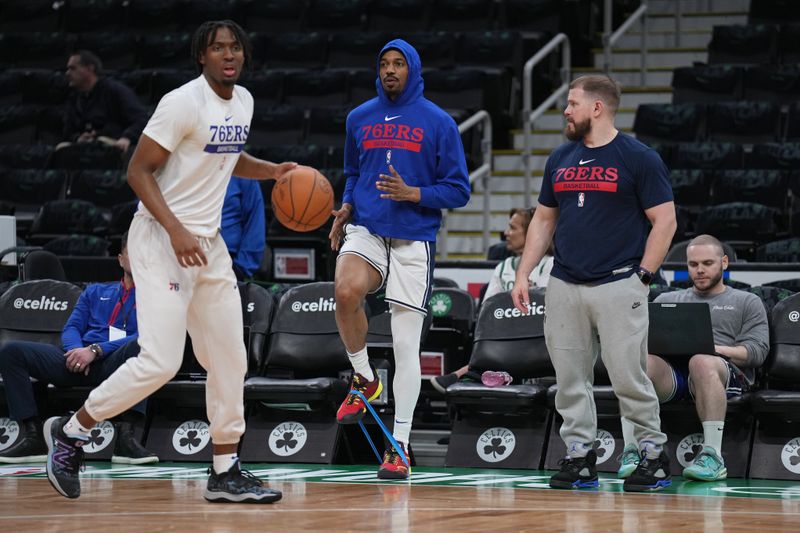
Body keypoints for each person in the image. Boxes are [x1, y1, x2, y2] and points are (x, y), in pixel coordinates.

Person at [43, 20, 296, 503]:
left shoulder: (243, 102)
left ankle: (225, 470)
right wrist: (176, 229)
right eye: (217, 48)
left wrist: (272, 171)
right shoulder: (181, 102)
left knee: (229, 359)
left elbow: (226, 156)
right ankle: (73, 432)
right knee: (161, 360)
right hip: (161, 238)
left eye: (235, 47)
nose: (228, 54)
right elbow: (137, 171)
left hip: (208, 243)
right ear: (201, 56)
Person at [510, 75, 677, 492]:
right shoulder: (560, 158)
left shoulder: (638, 157)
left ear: (597, 108)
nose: (565, 111)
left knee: (628, 377)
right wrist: (523, 271)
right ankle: (579, 457)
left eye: (572, 104)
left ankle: (653, 457)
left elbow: (665, 221)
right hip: (565, 283)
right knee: (569, 379)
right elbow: (544, 219)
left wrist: (643, 276)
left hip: (620, 282)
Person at [328, 39, 470, 480]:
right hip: (368, 228)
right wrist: (346, 207)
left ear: (413, 69)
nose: (390, 70)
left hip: (413, 239)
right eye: (384, 64)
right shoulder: (359, 117)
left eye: (398, 64)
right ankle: (364, 376)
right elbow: (354, 173)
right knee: (345, 290)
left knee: (408, 347)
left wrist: (415, 194)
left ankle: (400, 446)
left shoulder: (439, 123)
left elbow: (459, 189)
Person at [617, 234, 769, 482]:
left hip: (722, 372)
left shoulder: (747, 301)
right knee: (638, 362)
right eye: (693, 264)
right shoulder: (667, 300)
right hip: (676, 375)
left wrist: (714, 349)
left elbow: (757, 352)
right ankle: (634, 450)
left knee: (701, 360)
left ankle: (713, 456)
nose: (699, 270)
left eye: (708, 263)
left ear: (725, 263)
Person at [0, 235, 156, 465]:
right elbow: (72, 327)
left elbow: (147, 335)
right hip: (76, 361)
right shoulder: (95, 292)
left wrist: (96, 350)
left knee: (143, 346)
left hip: (114, 363)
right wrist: (76, 351)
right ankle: (33, 436)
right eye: (132, 252)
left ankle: (126, 439)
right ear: (121, 259)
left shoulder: (157, 298)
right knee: (12, 352)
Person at [430, 207, 553, 393]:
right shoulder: (503, 267)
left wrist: (510, 302)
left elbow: (543, 308)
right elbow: (489, 309)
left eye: (512, 228)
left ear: (531, 232)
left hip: (536, 339)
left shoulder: (549, 264)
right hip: (505, 334)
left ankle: (471, 372)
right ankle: (482, 373)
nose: (506, 234)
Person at [60, 50, 148, 154]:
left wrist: (127, 138)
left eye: (73, 68)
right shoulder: (74, 98)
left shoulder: (115, 91)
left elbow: (142, 120)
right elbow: (68, 132)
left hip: (114, 147)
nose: (68, 73)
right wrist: (78, 138)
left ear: (90, 68)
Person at [221, 176, 266, 280]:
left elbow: (255, 221)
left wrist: (241, 268)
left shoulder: (241, 172)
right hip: (184, 256)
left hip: (228, 260)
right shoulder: (184, 167)